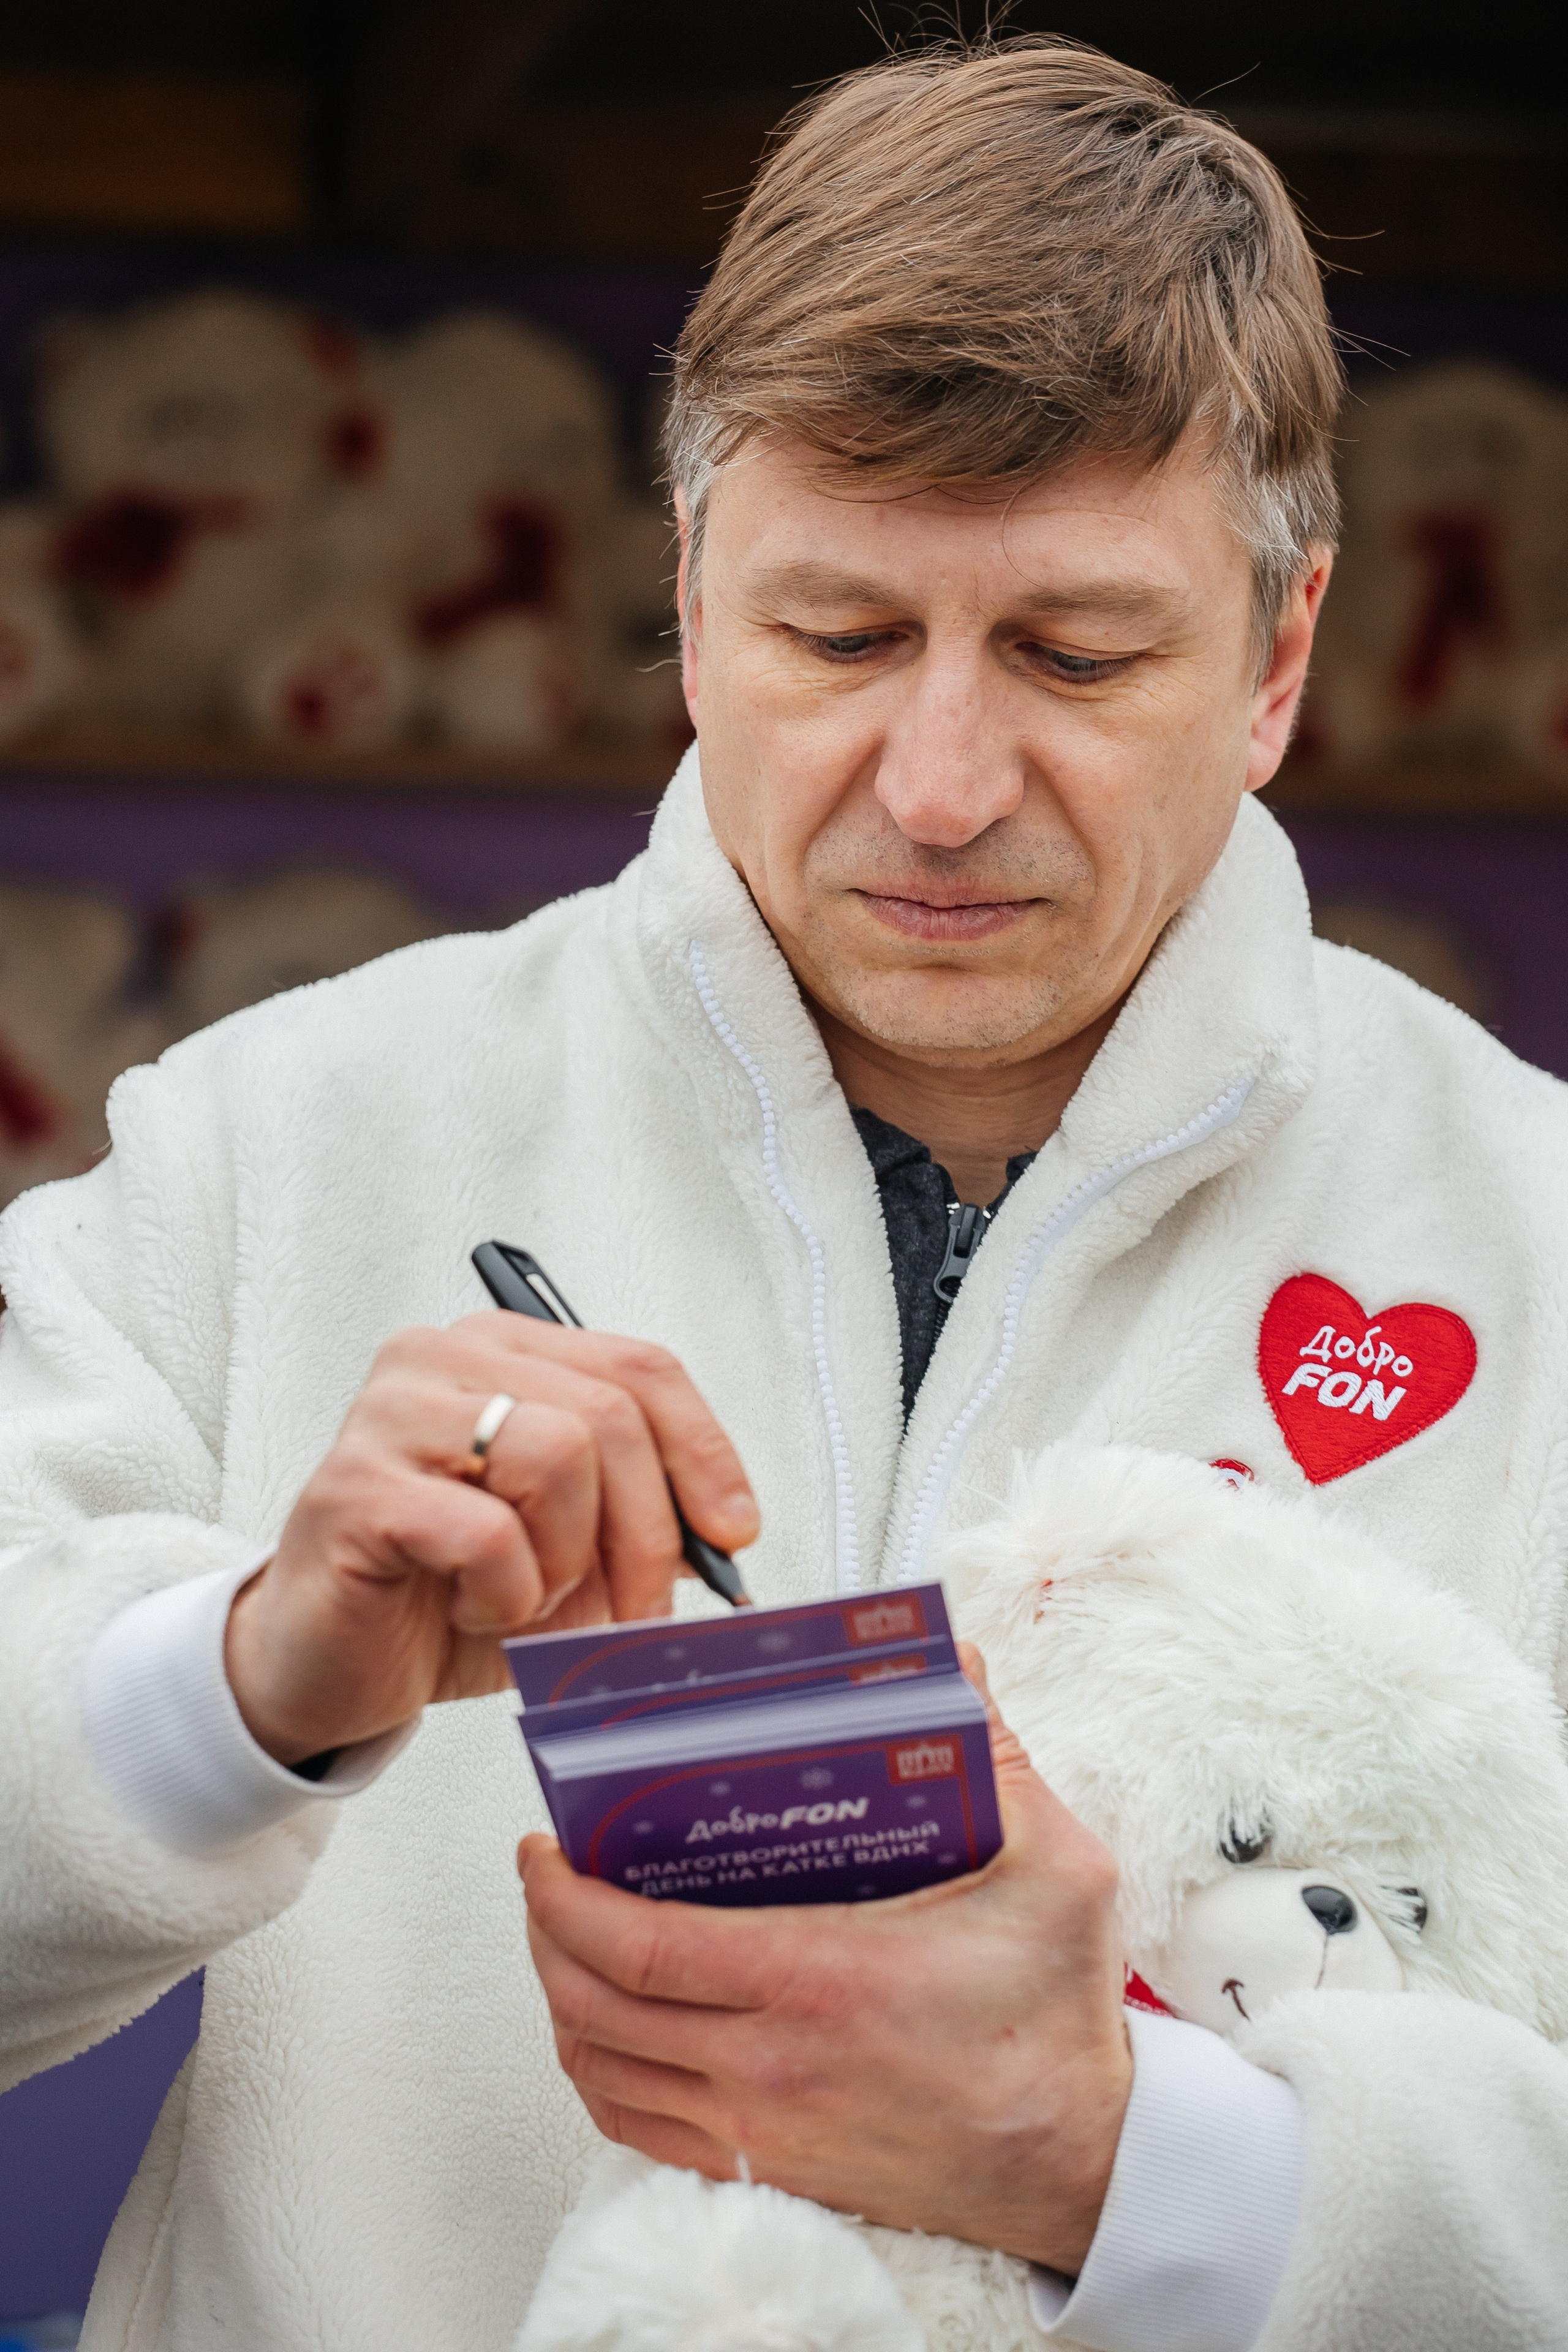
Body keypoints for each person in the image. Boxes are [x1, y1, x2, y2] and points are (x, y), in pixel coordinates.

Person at [2, 37, 1566, 2352]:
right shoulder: (274, 1140)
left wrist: (1146, 2169)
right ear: (692, 585)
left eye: (1076, 652)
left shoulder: (1536, 1240)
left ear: (1281, 657)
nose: (935, 785)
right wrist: (229, 1691)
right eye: (836, 636)